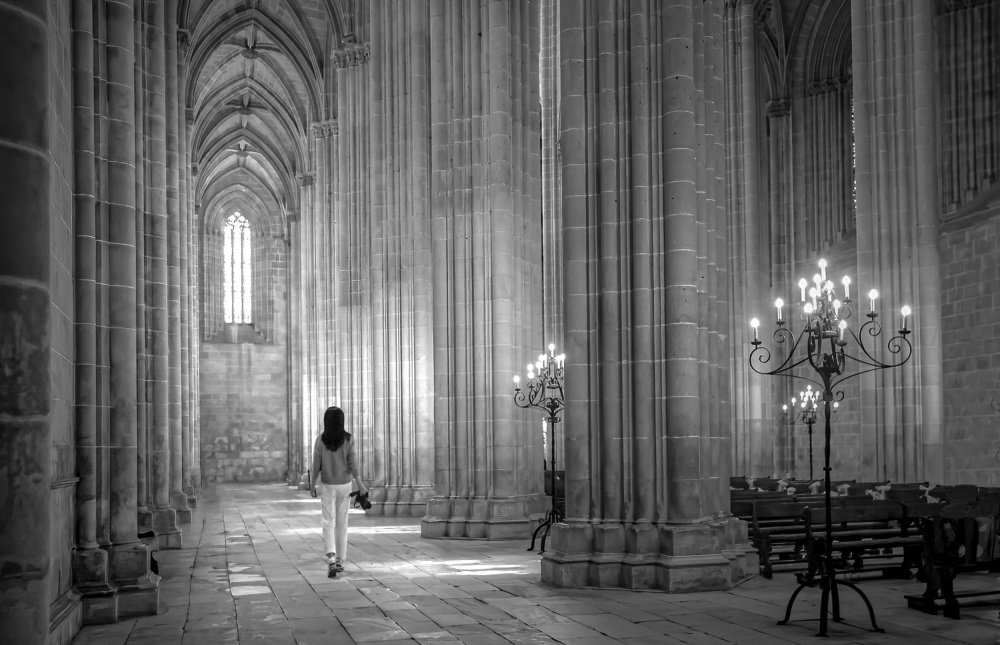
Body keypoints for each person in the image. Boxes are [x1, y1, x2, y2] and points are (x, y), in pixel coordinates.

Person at [311, 406, 368, 577]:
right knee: (342, 522)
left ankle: (330, 557)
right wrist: (360, 484)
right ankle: (340, 559)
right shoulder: (349, 440)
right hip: (345, 484)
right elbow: (353, 464)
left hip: (328, 485)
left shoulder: (320, 440)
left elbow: (316, 465)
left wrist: (312, 484)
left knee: (328, 521)